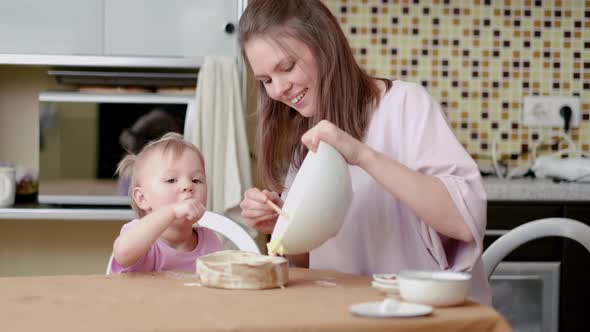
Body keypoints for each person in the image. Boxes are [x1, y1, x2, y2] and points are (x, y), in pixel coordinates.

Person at [237, 0, 491, 304]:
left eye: (286, 67)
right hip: (343, 314)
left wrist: (361, 155)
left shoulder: (405, 105)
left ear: (325, 46)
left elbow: (463, 223)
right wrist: (285, 225)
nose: (278, 90)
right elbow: (306, 264)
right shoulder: (301, 133)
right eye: (265, 81)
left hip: (420, 315)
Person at [110, 132, 222, 273]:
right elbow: (123, 254)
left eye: (196, 180)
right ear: (142, 198)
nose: (188, 185)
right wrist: (172, 211)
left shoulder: (210, 241)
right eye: (171, 180)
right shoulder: (138, 236)